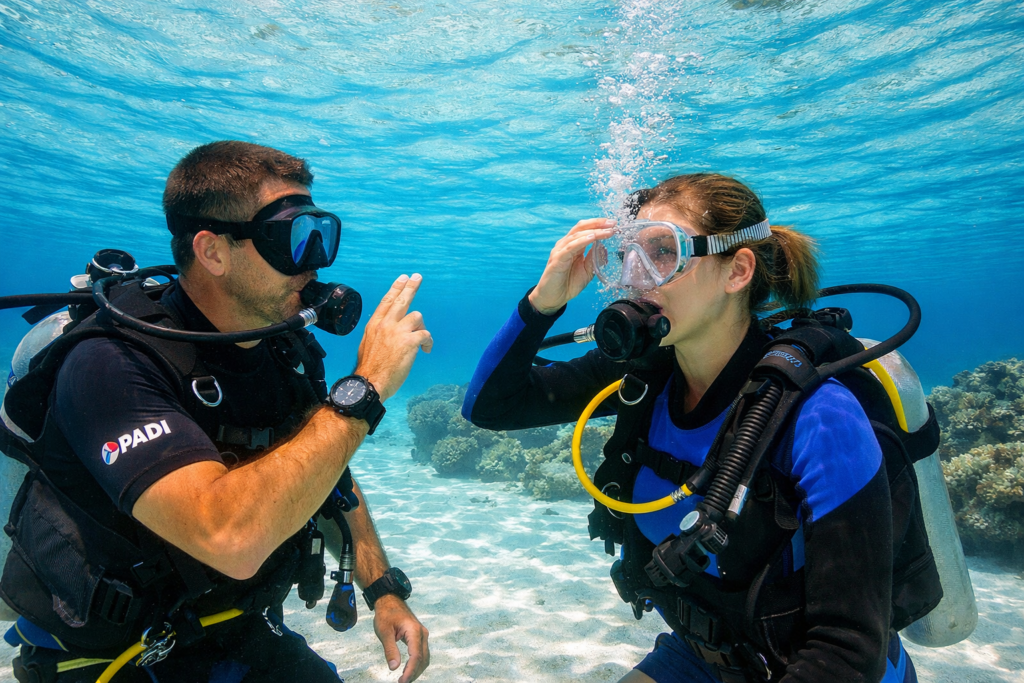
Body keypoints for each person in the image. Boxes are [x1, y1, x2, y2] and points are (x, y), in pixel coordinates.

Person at [0, 141, 431, 683]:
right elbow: (228, 538)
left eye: (322, 234)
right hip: (112, 661)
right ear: (213, 252)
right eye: (293, 237)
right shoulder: (109, 363)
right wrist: (365, 388)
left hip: (236, 628)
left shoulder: (282, 349)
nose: (316, 260)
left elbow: (325, 473)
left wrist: (382, 590)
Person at [462, 173, 917, 683]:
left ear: (737, 271)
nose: (636, 277)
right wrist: (542, 303)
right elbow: (490, 407)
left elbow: (848, 648)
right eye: (627, 254)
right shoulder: (646, 375)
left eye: (662, 252)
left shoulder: (819, 415)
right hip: (705, 658)